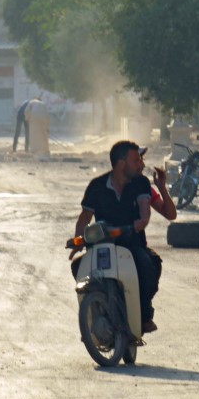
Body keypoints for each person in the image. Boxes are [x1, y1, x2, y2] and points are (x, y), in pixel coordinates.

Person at [69, 141, 161, 333]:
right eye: (136, 160)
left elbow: (145, 210)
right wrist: (78, 240)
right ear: (121, 164)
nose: (141, 165)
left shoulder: (140, 183)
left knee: (148, 264)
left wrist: (140, 222)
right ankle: (96, 310)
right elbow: (84, 218)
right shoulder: (96, 186)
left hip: (131, 245)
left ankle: (144, 315)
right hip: (102, 246)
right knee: (77, 266)